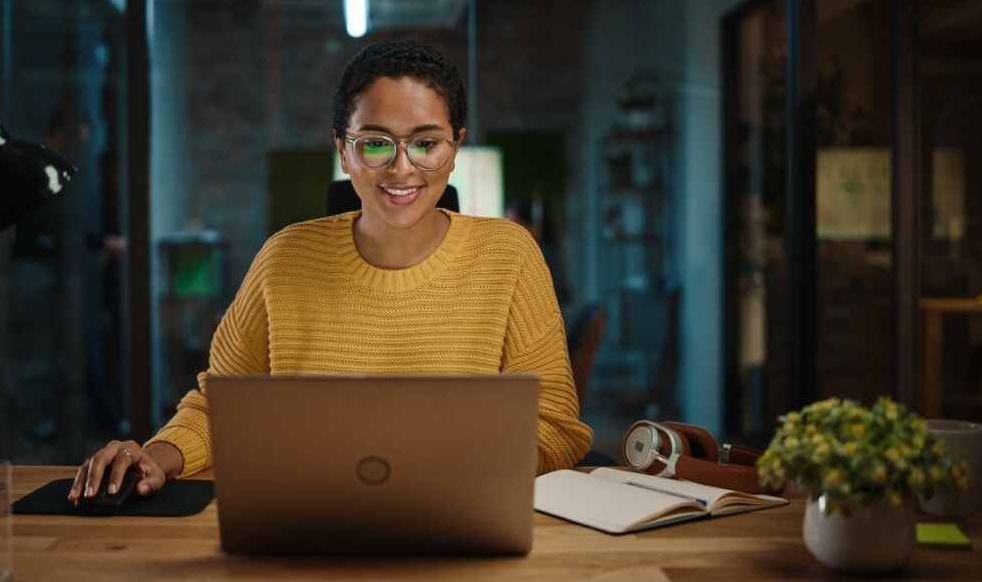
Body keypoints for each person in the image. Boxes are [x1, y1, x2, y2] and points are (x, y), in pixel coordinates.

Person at [70, 39, 593, 503]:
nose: (402, 167)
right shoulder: (283, 259)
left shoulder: (511, 255)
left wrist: (444, 468)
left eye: (426, 143)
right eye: (375, 142)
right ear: (343, 149)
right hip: (309, 523)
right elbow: (220, 407)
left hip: (459, 518)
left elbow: (556, 428)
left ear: (454, 147)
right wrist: (155, 457)